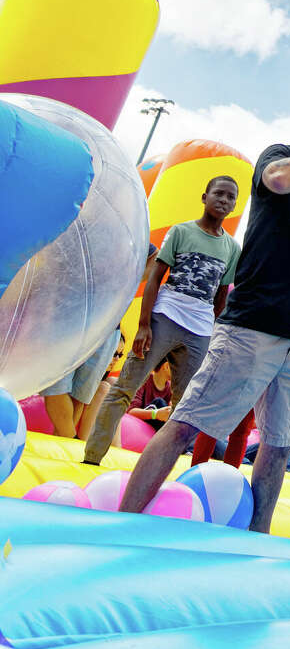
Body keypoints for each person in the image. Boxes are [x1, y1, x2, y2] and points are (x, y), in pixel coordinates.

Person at [119, 89, 290, 533]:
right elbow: (279, 180)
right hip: (253, 325)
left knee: (279, 446)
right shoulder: (281, 156)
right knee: (187, 423)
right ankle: (121, 522)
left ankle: (255, 538)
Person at [83, 177, 241, 465]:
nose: (224, 200)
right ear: (204, 197)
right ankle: (92, 458)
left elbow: (221, 296)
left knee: (184, 407)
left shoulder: (232, 248)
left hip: (199, 331)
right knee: (124, 389)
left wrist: (211, 332)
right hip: (165, 317)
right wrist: (144, 325)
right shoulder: (181, 232)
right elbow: (156, 277)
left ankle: (157, 468)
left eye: (231, 197)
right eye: (218, 194)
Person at [40, 326, 123, 438]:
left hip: (108, 325)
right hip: (72, 320)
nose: (117, 358)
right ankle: (72, 439)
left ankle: (63, 443)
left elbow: (80, 396)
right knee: (55, 385)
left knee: (80, 395)